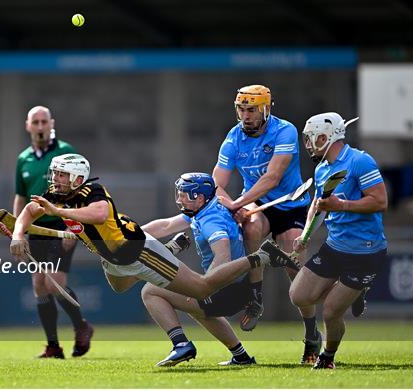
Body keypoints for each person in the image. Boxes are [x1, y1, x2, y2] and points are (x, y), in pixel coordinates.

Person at [9, 154, 300, 351]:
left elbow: (98, 215)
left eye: (60, 175)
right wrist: (20, 232)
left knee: (195, 289)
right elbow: (30, 210)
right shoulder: (55, 197)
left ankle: (262, 256)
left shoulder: (94, 192)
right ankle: (171, 251)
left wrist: (57, 212)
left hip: (141, 253)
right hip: (115, 258)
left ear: (76, 178)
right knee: (123, 288)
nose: (54, 179)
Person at [214, 85, 320, 364]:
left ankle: (311, 334)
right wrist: (228, 203)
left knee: (295, 274)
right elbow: (218, 184)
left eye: (251, 110)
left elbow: (272, 178)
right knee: (250, 227)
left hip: (290, 206)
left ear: (266, 109)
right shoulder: (233, 138)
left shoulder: (284, 131)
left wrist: (238, 203)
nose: (245, 116)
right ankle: (255, 295)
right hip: (255, 205)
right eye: (241, 110)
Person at [288, 112, 388, 369]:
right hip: (335, 247)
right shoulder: (322, 168)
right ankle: (350, 292)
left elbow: (380, 201)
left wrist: (341, 205)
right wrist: (305, 235)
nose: (308, 144)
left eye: (311, 139)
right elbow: (318, 204)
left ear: (326, 137)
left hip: (364, 252)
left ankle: (327, 356)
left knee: (331, 311)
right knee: (298, 295)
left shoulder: (360, 161)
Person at [140, 172, 256, 367]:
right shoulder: (204, 210)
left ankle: (181, 344)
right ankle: (241, 356)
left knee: (150, 291)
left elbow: (223, 256)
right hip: (236, 286)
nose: (179, 199)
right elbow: (166, 225)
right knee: (200, 311)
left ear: (200, 197)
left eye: (183, 195)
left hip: (229, 290)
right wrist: (129, 233)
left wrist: (203, 288)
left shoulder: (211, 220)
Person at [13, 106, 93, 359]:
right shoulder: (23, 159)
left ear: (51, 124)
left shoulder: (66, 151)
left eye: (43, 121)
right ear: (28, 126)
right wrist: (19, 229)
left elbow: (80, 191)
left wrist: (74, 228)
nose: (39, 126)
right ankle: (53, 346)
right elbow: (21, 197)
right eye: (35, 122)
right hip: (37, 228)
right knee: (39, 284)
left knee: (54, 282)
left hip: (62, 225)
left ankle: (81, 327)